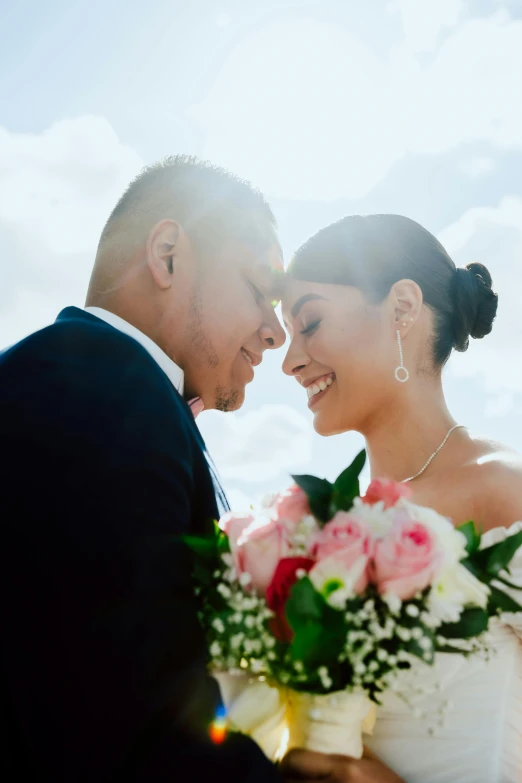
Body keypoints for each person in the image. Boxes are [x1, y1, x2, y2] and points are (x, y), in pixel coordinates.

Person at [0, 155, 355, 783]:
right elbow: (127, 732)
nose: (276, 336)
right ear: (167, 254)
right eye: (258, 290)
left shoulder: (91, 384)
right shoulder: (103, 392)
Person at [281, 214, 522, 783]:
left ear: (402, 309)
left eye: (309, 322)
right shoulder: (329, 534)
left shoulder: (503, 492)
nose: (290, 361)